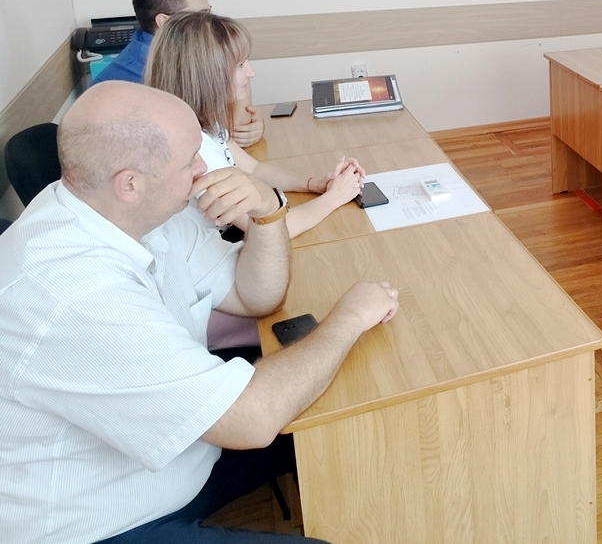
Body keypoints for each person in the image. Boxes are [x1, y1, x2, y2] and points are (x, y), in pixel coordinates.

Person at [0, 81, 400, 543]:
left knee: (346, 412)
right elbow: (252, 419)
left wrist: (267, 214)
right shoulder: (73, 293)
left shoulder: (133, 212)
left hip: (184, 455)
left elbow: (255, 298)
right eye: (191, 158)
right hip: (99, 522)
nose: (204, 168)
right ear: (130, 183)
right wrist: (348, 319)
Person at [146, 11, 365, 241]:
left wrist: (312, 184)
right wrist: (334, 197)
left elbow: (253, 169)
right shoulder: (193, 150)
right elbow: (274, 230)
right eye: (240, 65)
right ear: (206, 75)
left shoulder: (203, 122)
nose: (251, 73)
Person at [93, 0, 265, 146]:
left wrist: (251, 128)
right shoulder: (150, 69)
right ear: (164, 21)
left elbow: (236, 125)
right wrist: (237, 129)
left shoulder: (180, 50)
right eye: (200, 16)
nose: (209, 22)